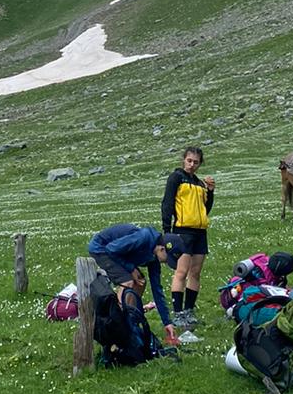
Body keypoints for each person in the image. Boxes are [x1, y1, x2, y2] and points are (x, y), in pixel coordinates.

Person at [88, 223, 179, 346]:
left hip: (116, 253)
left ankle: (131, 320)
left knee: (140, 282)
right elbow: (111, 249)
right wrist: (131, 269)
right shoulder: (144, 238)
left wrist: (167, 322)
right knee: (128, 282)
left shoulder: (154, 258)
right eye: (167, 259)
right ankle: (116, 325)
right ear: (162, 249)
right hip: (101, 248)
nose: (166, 263)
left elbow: (157, 290)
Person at [161, 145, 214, 328]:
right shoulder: (176, 177)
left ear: (200, 164)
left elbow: (205, 209)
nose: (192, 165)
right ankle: (177, 313)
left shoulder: (199, 183)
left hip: (200, 232)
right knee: (181, 272)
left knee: (196, 273)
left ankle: (189, 311)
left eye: (196, 162)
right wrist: (167, 232)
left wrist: (211, 192)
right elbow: (167, 203)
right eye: (189, 161)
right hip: (183, 231)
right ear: (184, 159)